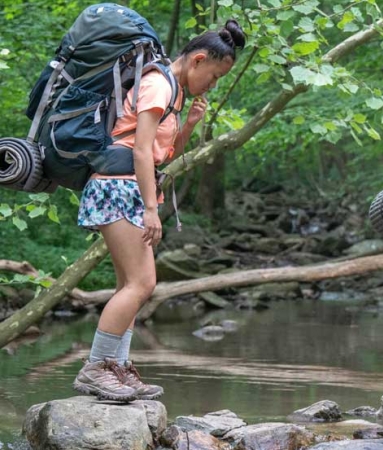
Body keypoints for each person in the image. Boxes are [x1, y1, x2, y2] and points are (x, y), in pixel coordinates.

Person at [72, 20, 246, 402]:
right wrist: (151, 210)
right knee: (142, 284)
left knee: (130, 286)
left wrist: (189, 127)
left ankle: (117, 367)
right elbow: (138, 152)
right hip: (119, 188)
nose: (212, 85)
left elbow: (161, 154)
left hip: (128, 189)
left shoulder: (174, 94)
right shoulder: (159, 84)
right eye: (214, 76)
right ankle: (96, 368)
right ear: (198, 60)